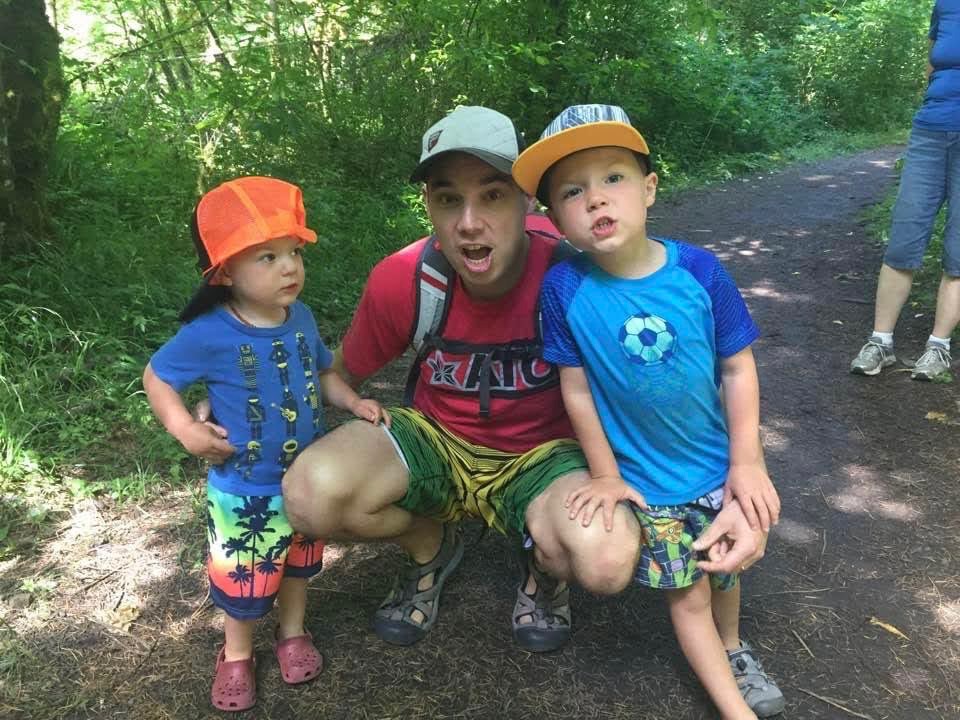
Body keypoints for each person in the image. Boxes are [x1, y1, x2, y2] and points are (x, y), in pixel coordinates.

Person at [282, 106, 772, 658]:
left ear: (527, 204)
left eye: (492, 195)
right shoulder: (406, 279)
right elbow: (336, 373)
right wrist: (233, 394)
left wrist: (739, 466)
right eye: (447, 199)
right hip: (436, 439)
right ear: (429, 208)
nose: (469, 222)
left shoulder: (575, 273)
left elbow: (685, 374)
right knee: (309, 494)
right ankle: (432, 548)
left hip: (545, 456)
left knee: (606, 560)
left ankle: (543, 563)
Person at [512, 104, 784, 718]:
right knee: (687, 598)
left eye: (613, 178)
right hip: (648, 484)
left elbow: (737, 368)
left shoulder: (698, 272)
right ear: (555, 218)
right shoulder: (565, 290)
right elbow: (575, 388)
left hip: (716, 466)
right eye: (573, 192)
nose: (596, 201)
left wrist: (746, 462)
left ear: (649, 189)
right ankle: (733, 708)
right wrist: (607, 473)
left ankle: (735, 647)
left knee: (728, 570)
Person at [142, 177, 389, 712]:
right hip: (245, 491)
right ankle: (235, 655)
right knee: (246, 579)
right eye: (268, 257)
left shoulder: (298, 317)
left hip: (306, 478)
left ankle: (293, 632)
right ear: (225, 271)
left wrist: (352, 402)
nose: (289, 268)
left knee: (297, 564)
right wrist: (186, 429)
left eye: (294, 253)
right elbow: (157, 377)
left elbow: (323, 369)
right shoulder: (209, 332)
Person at [851, 0, 960, 380]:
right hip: (931, 130)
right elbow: (933, 63)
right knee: (904, 237)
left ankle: (938, 348)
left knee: (959, 250)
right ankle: (880, 343)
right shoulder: (945, 5)